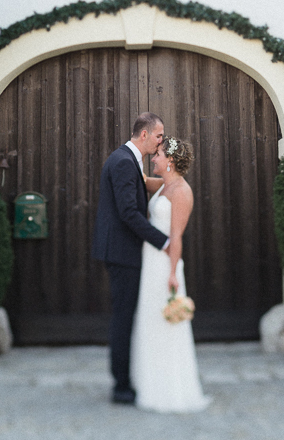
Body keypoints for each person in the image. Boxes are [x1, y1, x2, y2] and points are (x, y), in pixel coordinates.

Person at [92, 112, 169, 404]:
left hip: (121, 250)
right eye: (159, 135)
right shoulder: (124, 161)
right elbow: (128, 212)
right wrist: (162, 241)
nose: (162, 140)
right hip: (122, 251)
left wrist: (171, 182)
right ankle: (121, 386)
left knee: (126, 315)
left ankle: (127, 378)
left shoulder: (128, 158)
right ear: (145, 134)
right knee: (123, 318)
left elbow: (141, 184)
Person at [130, 135, 211, 412]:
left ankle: (169, 389)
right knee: (150, 320)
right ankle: (149, 383)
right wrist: (131, 153)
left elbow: (176, 237)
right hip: (150, 262)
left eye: (159, 155)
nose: (154, 157)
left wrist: (174, 273)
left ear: (171, 161)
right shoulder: (164, 185)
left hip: (165, 265)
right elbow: (140, 180)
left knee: (166, 324)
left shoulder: (181, 192)